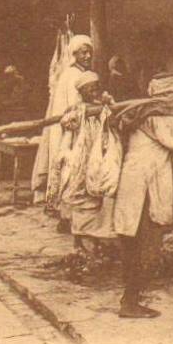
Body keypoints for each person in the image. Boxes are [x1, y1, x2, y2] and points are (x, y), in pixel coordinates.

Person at [112, 77, 173, 318]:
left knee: (133, 240)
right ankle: (130, 301)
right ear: (166, 97)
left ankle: (130, 297)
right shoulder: (159, 118)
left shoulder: (142, 113)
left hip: (136, 181)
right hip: (144, 186)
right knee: (142, 243)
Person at [31, 34, 93, 232]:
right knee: (71, 171)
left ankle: (68, 214)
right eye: (83, 53)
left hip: (74, 127)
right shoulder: (72, 75)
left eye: (89, 52)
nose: (87, 56)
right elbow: (75, 105)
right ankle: (67, 216)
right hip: (71, 130)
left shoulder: (78, 73)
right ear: (74, 54)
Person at [56, 71, 117, 248]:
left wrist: (110, 105)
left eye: (96, 88)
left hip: (98, 157)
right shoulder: (76, 110)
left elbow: (113, 122)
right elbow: (67, 125)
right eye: (90, 89)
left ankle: (94, 236)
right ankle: (79, 237)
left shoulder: (102, 107)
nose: (94, 92)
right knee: (81, 196)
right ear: (81, 92)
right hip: (81, 157)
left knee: (97, 195)